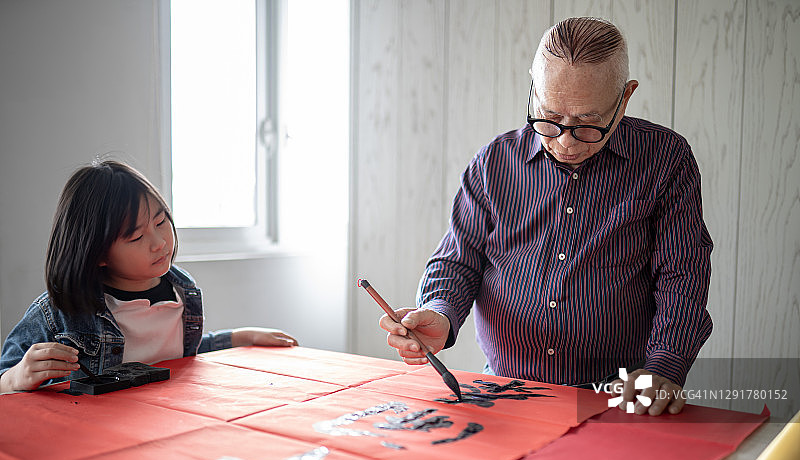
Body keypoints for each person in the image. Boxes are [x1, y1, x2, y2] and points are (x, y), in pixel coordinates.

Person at [380, 17, 712, 416]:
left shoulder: (665, 159)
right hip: (506, 391)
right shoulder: (493, 164)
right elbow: (458, 259)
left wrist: (664, 366)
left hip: (618, 395)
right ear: (534, 90)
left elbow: (682, 273)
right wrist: (439, 312)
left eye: (588, 124)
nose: (566, 142)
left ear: (625, 99)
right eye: (549, 118)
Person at [0, 160, 298, 393]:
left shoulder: (183, 292)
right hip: (94, 440)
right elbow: (6, 377)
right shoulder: (60, 310)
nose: (159, 242)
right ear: (98, 253)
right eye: (136, 237)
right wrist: (16, 377)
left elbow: (180, 355)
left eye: (160, 221)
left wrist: (241, 337)